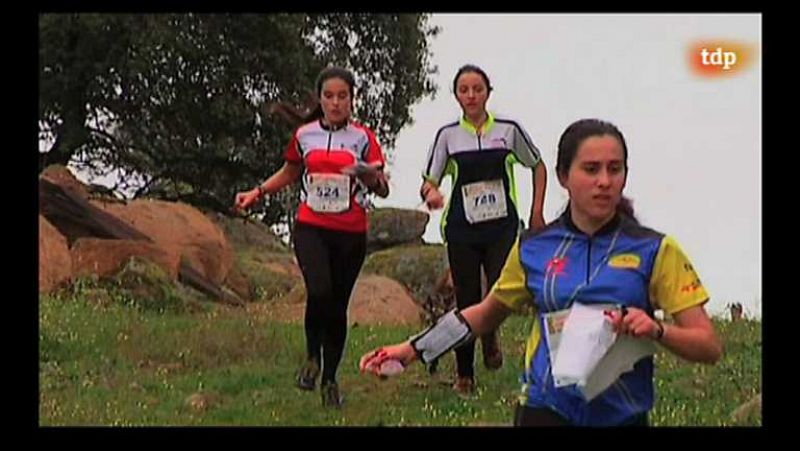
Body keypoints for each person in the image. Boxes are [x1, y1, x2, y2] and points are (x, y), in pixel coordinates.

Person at [361, 118, 722, 426]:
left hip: (622, 415)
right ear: (564, 176)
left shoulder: (655, 250)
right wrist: (412, 349)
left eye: (615, 169)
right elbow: (484, 315)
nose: (604, 181)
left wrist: (657, 330)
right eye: (591, 169)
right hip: (544, 410)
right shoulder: (534, 248)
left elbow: (708, 346)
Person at [235, 66, 389, 408]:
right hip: (311, 227)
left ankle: (331, 380)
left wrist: (370, 177)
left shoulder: (364, 137)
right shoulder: (305, 135)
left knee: (337, 306)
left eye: (342, 96)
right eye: (329, 96)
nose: (335, 103)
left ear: (352, 100)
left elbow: (382, 186)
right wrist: (256, 192)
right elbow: (291, 171)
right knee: (319, 290)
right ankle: (311, 358)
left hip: (350, 232)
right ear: (320, 99)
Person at [419, 64, 548, 394]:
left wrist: (537, 212)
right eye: (464, 90)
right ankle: (465, 374)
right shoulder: (448, 136)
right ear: (457, 96)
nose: (471, 95)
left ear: (488, 92)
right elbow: (429, 182)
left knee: (501, 293)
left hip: (502, 228)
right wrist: (431, 194)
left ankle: (490, 333)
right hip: (462, 229)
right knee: (466, 299)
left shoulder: (508, 130)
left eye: (478, 89)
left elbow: (538, 165)